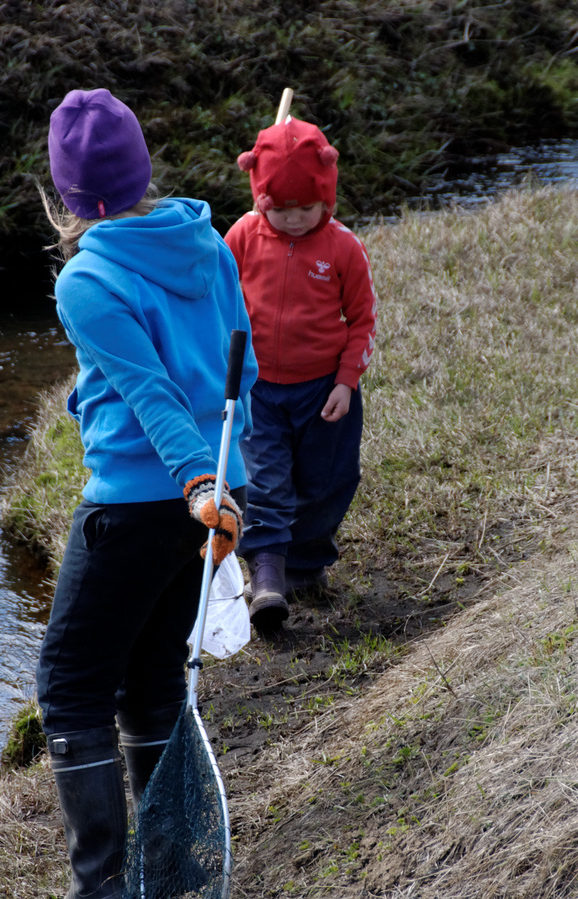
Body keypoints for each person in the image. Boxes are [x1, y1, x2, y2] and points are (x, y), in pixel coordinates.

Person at [27, 88, 256, 899]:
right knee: (154, 676)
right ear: (144, 169)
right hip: (204, 506)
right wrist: (226, 477)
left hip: (138, 505)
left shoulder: (85, 279)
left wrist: (198, 475)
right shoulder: (203, 237)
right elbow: (245, 369)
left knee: (72, 685)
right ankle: (169, 865)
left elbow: (154, 395)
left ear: (64, 196)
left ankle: (97, 897)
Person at [225, 116, 376, 631]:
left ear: (327, 197)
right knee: (265, 481)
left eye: (306, 208)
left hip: (323, 391)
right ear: (260, 197)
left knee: (328, 480)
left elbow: (362, 321)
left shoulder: (342, 246)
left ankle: (306, 566)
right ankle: (267, 574)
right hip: (258, 388)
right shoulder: (243, 236)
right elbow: (221, 304)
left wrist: (345, 381)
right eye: (280, 209)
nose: (293, 220)